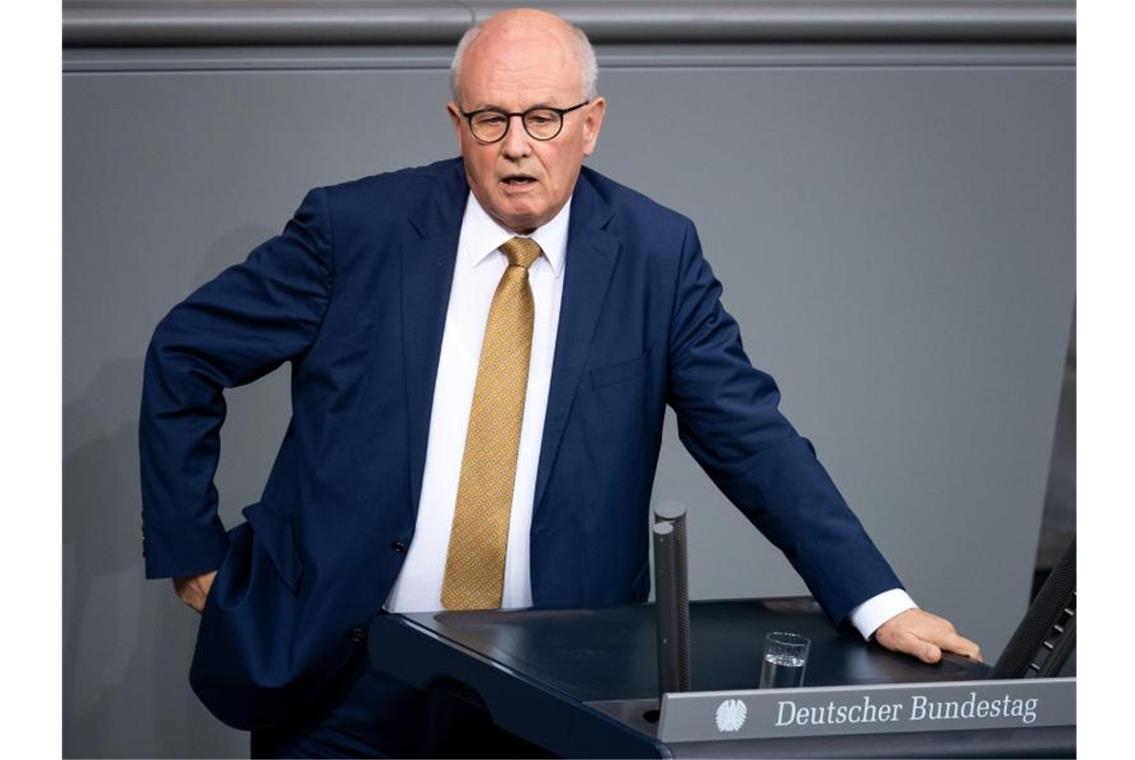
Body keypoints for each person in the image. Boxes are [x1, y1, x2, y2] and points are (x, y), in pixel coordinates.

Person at [140, 7, 982, 756]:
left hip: (547, 688)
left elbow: (751, 437)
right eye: (491, 118)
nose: (516, 145)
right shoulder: (354, 229)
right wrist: (191, 552)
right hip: (341, 670)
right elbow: (186, 353)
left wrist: (877, 602)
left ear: (592, 123)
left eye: (544, 117)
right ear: (456, 123)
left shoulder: (657, 255)